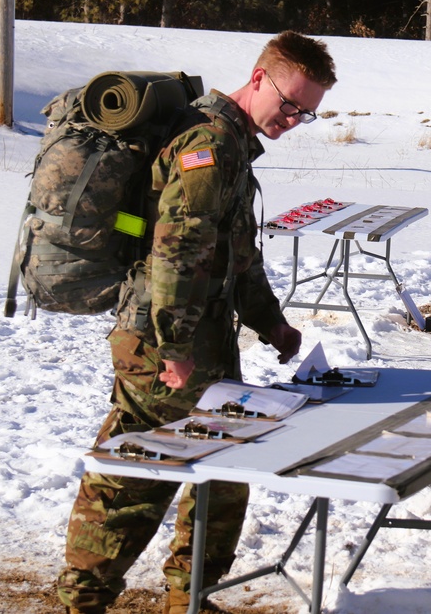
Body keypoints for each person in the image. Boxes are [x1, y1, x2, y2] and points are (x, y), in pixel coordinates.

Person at [56, 31, 337, 614]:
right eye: (289, 104)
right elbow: (178, 248)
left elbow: (237, 251)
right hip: (165, 338)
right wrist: (175, 346)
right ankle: (83, 599)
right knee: (137, 474)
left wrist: (271, 324)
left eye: (305, 114)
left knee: (225, 466)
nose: (292, 120)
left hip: (200, 335)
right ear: (260, 77)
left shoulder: (234, 142)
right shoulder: (208, 145)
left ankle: (191, 596)